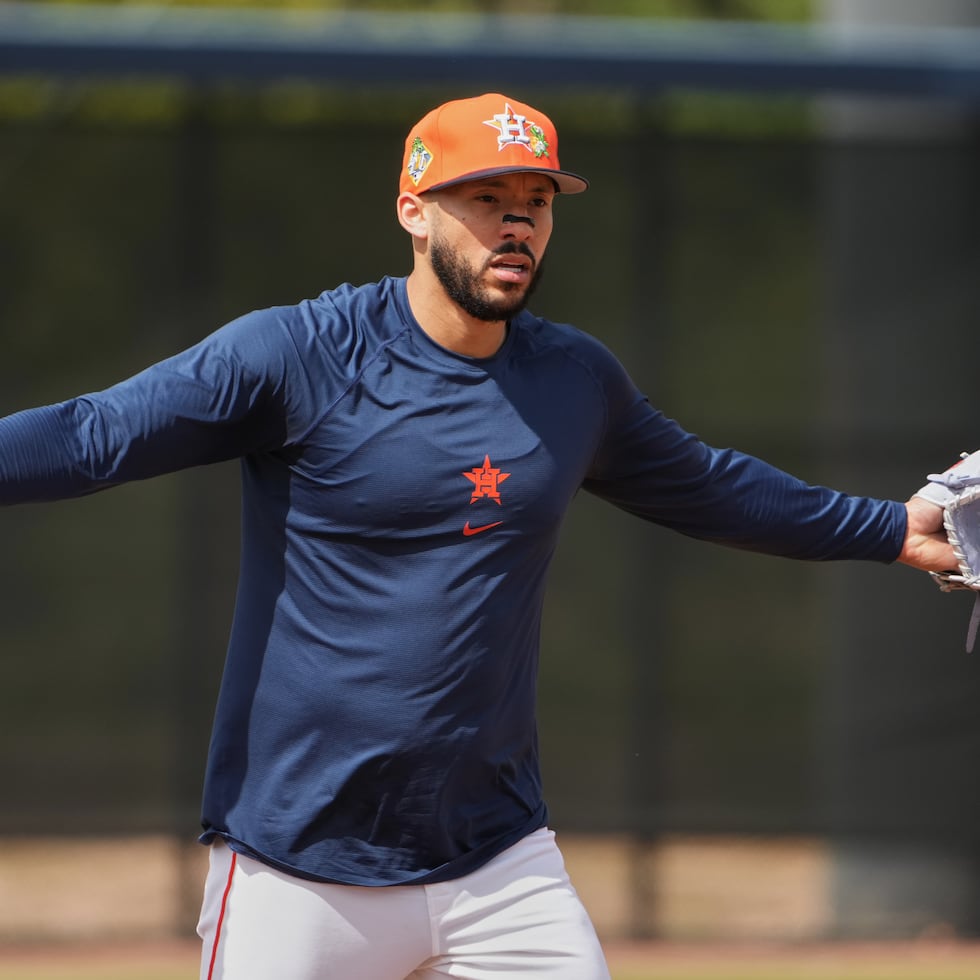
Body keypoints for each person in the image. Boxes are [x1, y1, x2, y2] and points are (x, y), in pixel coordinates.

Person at [0, 93, 955, 979]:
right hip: (301, 862)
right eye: (485, 196)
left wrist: (893, 531)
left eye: (535, 201)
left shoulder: (574, 382)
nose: (516, 222)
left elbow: (707, 486)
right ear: (414, 209)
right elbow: (93, 435)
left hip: (496, 861)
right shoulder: (299, 355)